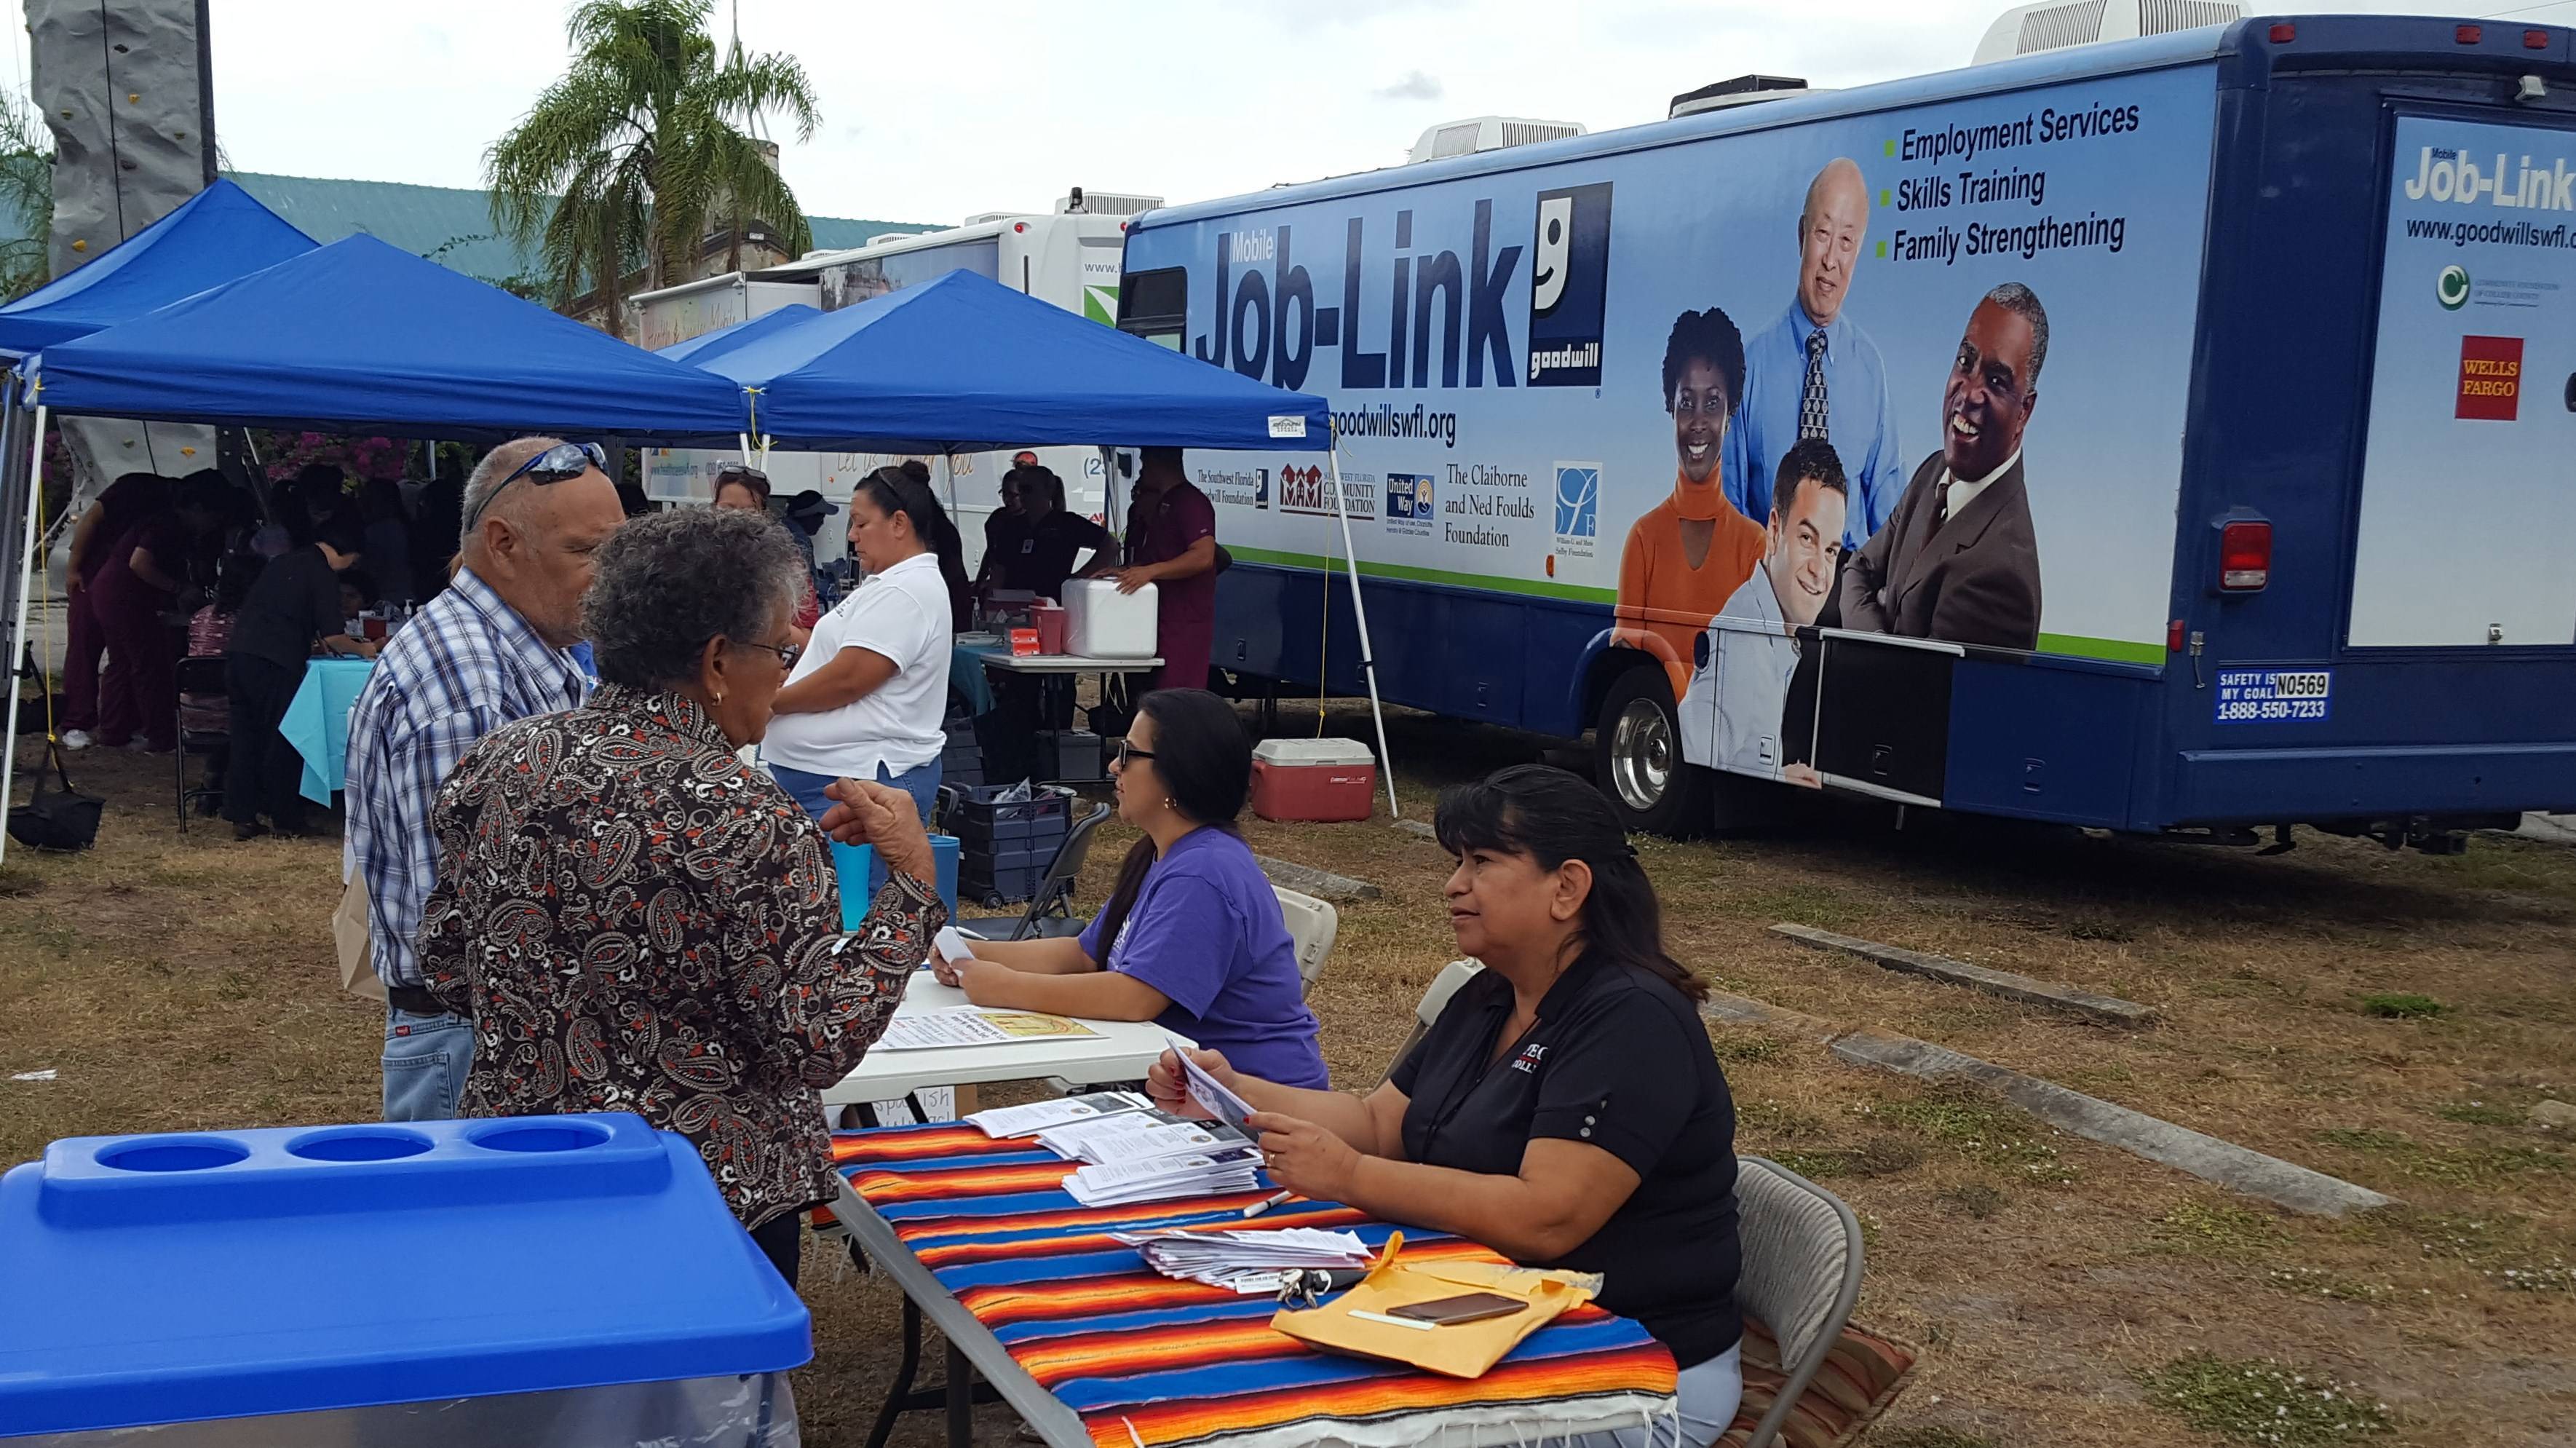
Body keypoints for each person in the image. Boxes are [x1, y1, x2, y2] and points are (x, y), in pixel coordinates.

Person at [420, 507, 946, 1285]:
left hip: (531, 1166)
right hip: (700, 1194)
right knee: (701, 1405)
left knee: (557, 1392)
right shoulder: (743, 812)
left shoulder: (502, 761)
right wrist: (911, 889)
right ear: (716, 662)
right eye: (781, 651)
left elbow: (445, 961)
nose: (787, 674)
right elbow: (816, 1042)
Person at [1151, 764, 1742, 1444]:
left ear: (1568, 886)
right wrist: (1231, 1092)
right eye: (1458, 861)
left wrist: (1348, 1177)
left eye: (1483, 861)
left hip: (1626, 1374)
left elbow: (1545, 1219)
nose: (1453, 883)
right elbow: (1379, 1123)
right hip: (1488, 1327)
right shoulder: (1491, 993)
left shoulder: (1631, 1019)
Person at [345, 437, 626, 1123]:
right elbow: (479, 920)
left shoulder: (516, 650)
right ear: (502, 543)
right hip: (484, 1037)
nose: (613, 578)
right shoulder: (466, 678)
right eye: (588, 552)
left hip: (498, 1032)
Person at [939, 688, 1328, 1087]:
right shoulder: (1163, 853)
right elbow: (1085, 953)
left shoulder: (1203, 873)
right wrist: (973, 953)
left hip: (1253, 1108)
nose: (1113, 766)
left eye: (1127, 754)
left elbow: (1135, 997)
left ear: (1178, 772)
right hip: (1186, 1089)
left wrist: (1006, 987)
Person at [765, 466, 967, 893]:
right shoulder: (892, 584)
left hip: (861, 780)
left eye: (860, 523)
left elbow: (851, 678)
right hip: (842, 779)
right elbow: (840, 660)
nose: (852, 536)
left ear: (898, 523)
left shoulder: (905, 591)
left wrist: (770, 702)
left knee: (858, 916)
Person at [1839, 283, 2046, 652]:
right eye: (1965, 363)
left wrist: (1877, 610)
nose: (1968, 393)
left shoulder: (2002, 574)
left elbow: (1909, 694)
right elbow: (1857, 570)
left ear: (2024, 413)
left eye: (1997, 381)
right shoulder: (1933, 474)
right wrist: (1879, 636)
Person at [1719, 159, 1904, 550]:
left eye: (1847, 242)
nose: (1831, 260)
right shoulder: (1749, 366)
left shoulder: (1870, 371)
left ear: (1858, 252)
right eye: (1823, 233)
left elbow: (1889, 521)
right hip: (1766, 590)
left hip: (1845, 593)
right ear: (1802, 235)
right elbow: (1730, 509)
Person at [1617, 309, 1767, 700]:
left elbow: (1755, 678)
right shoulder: (1643, 540)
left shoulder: (1754, 547)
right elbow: (1625, 667)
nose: (1698, 421)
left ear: (1730, 415)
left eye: (1712, 403)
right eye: (1687, 403)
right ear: (1671, 409)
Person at [1681, 440, 1847, 780]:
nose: (1820, 569)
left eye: (1830, 551)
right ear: (1774, 530)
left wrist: (1776, 773)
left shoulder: (1769, 628)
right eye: (1807, 539)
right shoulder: (1745, 645)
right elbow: (1695, 747)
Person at [222, 513, 375, 839]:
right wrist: (364, 649)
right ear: (346, 551)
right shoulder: (320, 572)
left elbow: (280, 610)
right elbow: (335, 636)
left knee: (246, 736)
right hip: (275, 660)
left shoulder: (284, 562)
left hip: (241, 653)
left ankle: (242, 814)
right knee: (283, 738)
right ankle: (286, 817)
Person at [87, 478, 222, 753]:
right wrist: (178, 588)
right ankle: (161, 738)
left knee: (121, 663)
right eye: (213, 516)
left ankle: (113, 731)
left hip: (107, 591)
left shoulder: (162, 523)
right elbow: (139, 563)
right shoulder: (166, 526)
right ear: (197, 509)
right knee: (149, 666)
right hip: (126, 596)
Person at [58, 471, 171, 751]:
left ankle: (118, 724)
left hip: (121, 582)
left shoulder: (164, 508)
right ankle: (77, 721)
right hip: (93, 571)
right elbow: (91, 519)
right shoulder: (137, 488)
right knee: (86, 646)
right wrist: (73, 567)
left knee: (122, 655)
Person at [1104, 446, 1218, 692]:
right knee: (1150, 697)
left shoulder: (1190, 502)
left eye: (1145, 465)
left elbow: (1204, 555)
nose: (1142, 472)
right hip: (1155, 620)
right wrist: (1128, 570)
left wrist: (1150, 572)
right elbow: (1160, 555)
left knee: (1176, 698)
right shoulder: (1162, 503)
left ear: (1157, 463)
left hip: (1183, 623)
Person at [710, 462, 821, 639]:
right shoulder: (692, 558)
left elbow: (806, 638)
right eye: (727, 509)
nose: (736, 518)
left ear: (763, 514)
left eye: (748, 511)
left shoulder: (788, 566)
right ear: (713, 508)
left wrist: (758, 622)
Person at [996, 464, 1110, 601]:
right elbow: (999, 568)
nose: (1023, 496)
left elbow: (1111, 545)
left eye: (1028, 490)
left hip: (1053, 603)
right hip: (1014, 604)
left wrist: (1081, 576)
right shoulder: (1011, 526)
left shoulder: (1067, 523)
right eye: (1020, 490)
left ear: (1048, 491)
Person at [975, 462, 1034, 594]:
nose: (1007, 500)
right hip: (1000, 587)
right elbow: (990, 553)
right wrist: (979, 582)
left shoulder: (1033, 521)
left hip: (1025, 589)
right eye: (1004, 494)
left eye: (1013, 495)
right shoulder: (997, 518)